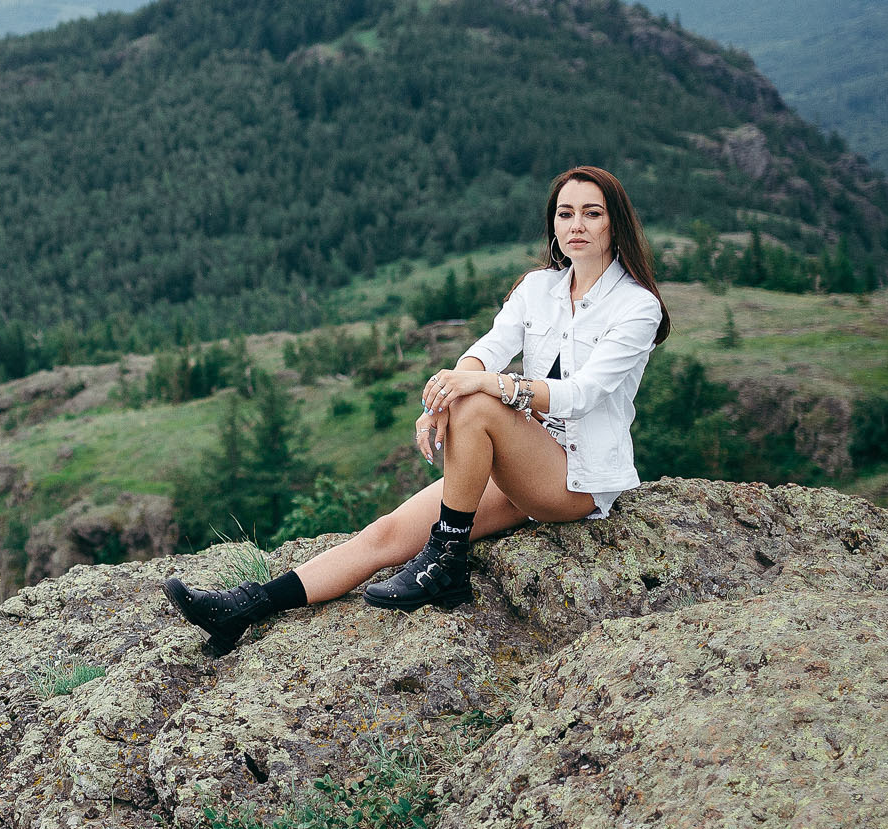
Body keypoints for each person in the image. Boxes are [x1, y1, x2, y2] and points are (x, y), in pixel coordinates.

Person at [165, 165, 671, 654]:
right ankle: (242, 609)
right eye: (565, 214)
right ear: (553, 224)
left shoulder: (637, 306)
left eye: (591, 213)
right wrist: (444, 394)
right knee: (384, 533)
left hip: (575, 480)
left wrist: (478, 388)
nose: (576, 226)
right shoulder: (539, 288)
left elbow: (582, 394)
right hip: (518, 461)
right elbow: (486, 350)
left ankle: (445, 559)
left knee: (478, 401)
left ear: (615, 223)